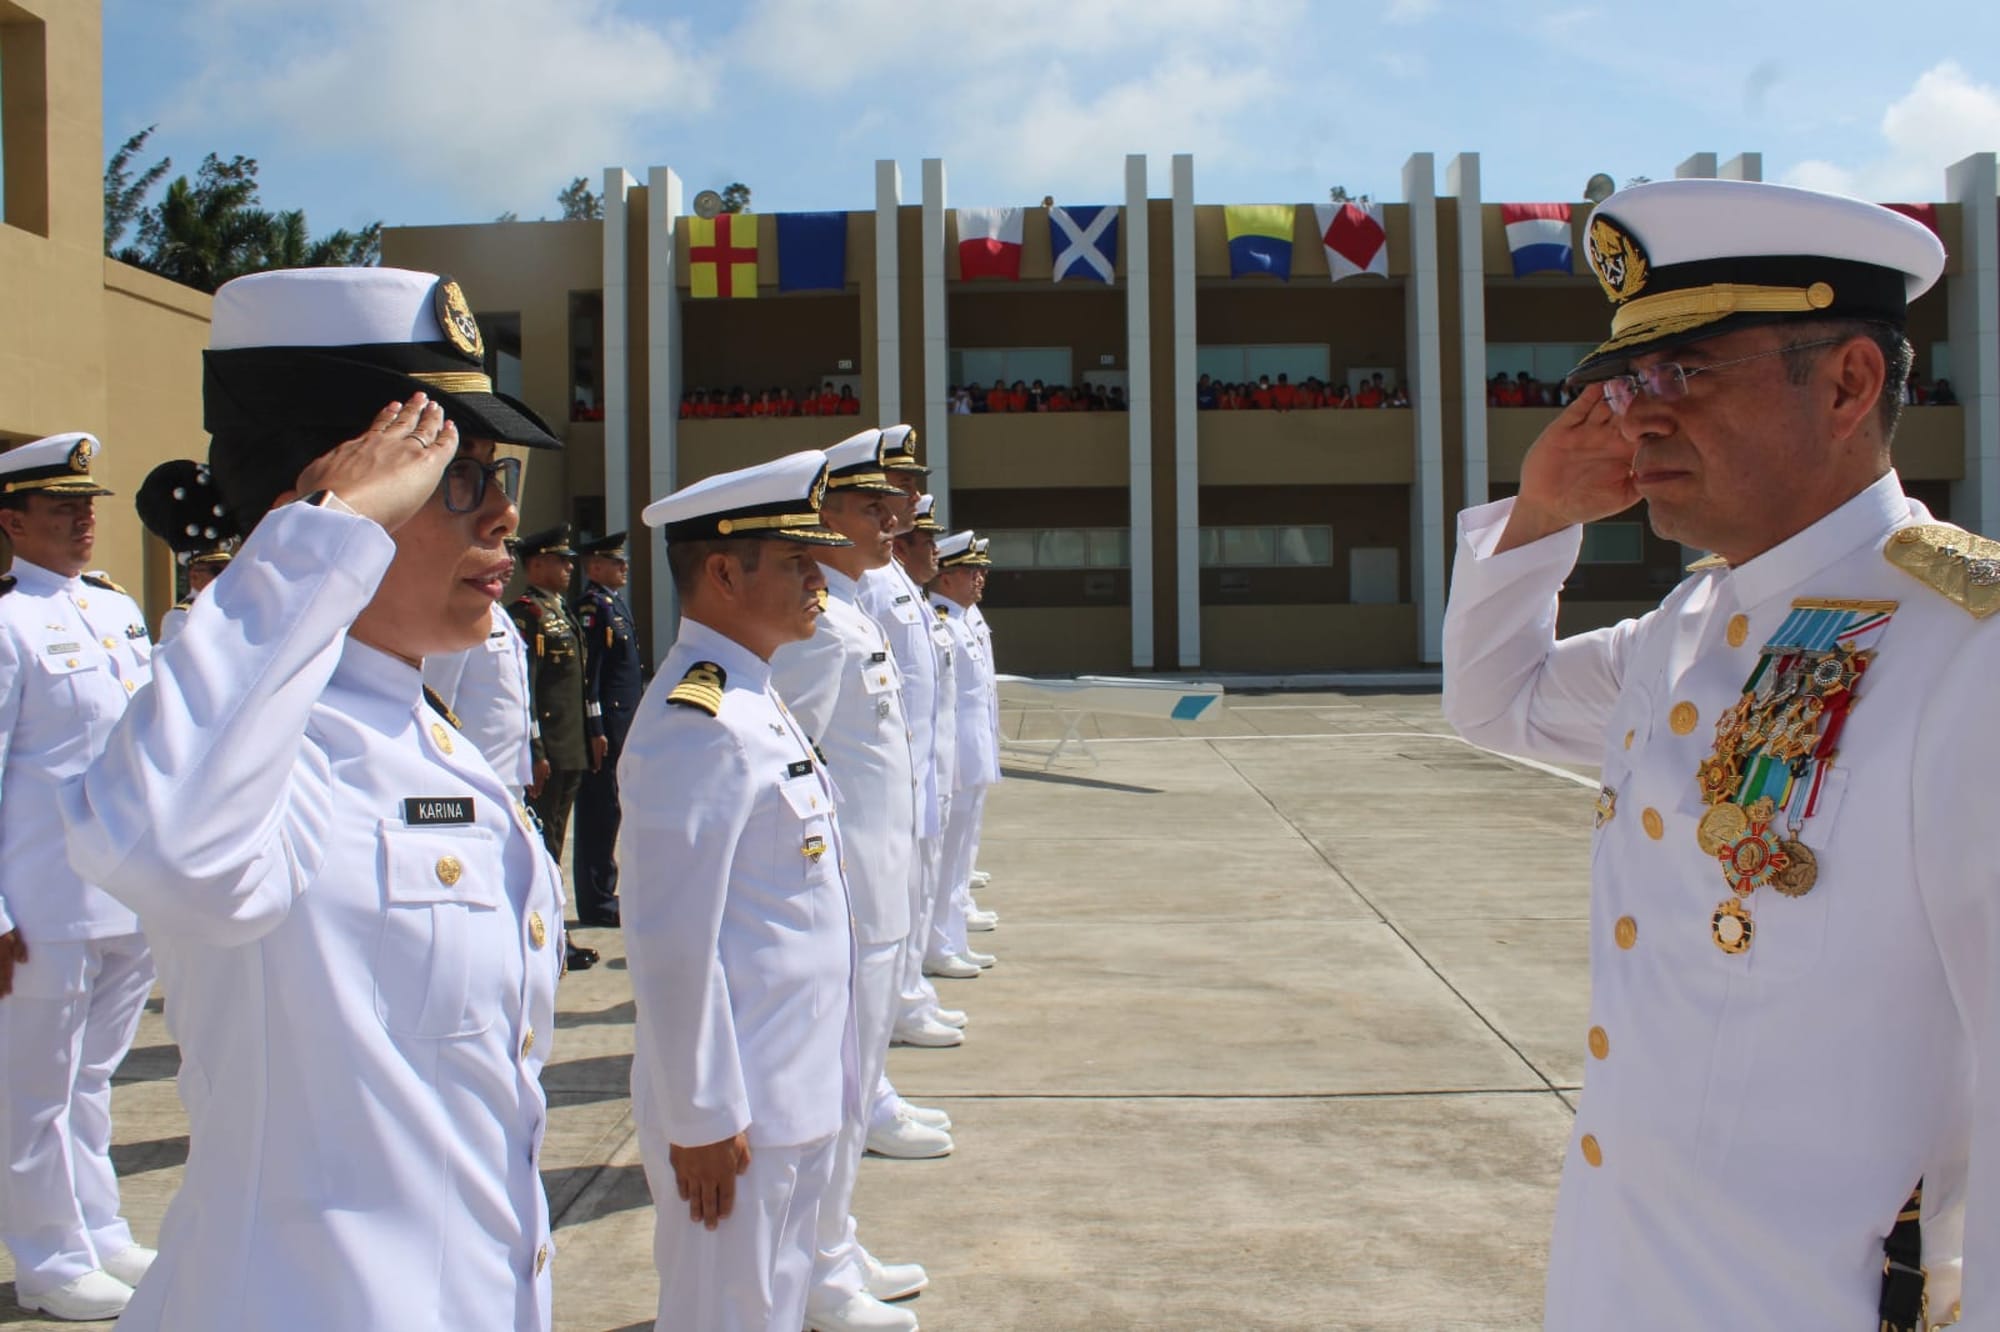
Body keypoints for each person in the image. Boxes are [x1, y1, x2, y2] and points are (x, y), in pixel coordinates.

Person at [1440, 179, 1993, 1330]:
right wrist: (1538, 518)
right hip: (1623, 1284)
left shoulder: (1964, 651)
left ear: (1846, 383)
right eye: (1625, 382)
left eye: (1683, 373)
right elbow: (1495, 704)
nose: (1638, 419)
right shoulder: (1684, 630)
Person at [59, 267, 567, 1329]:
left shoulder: (418, 723)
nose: (506, 514)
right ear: (342, 494)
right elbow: (162, 846)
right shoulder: (260, 743)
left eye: (499, 474)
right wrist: (319, 533)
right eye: (456, 477)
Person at [619, 449, 860, 1332]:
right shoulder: (700, 722)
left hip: (790, 1091)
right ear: (723, 573)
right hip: (738, 1119)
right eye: (796, 561)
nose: (818, 578)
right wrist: (701, 1116)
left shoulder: (757, 697)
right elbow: (670, 942)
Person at [766, 431, 930, 1332]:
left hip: (882, 883)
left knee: (857, 1081)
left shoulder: (853, 612)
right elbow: (789, 772)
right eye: (871, 507)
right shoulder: (819, 627)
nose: (892, 518)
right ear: (821, 517)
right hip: (851, 895)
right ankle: (819, 1271)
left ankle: (837, 1241)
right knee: (835, 1091)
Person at [0, 433, 157, 1322]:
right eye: (61, 508)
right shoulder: (7, 623)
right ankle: (48, 1259)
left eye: (87, 505)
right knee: (34, 1091)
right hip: (43, 901)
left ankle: (98, 1230)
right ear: (13, 521)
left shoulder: (115, 606)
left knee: (93, 1079)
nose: (82, 520)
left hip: (123, 889)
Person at [858, 437, 963, 1160]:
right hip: (875, 797)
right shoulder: (864, 585)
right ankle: (874, 1077)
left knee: (907, 909)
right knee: (875, 937)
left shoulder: (891, 579)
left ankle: (898, 1023)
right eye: (892, 493)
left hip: (914, 775)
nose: (906, 504)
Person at [926, 533, 1001, 976]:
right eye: (971, 571)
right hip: (953, 758)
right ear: (946, 577)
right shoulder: (941, 624)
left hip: (973, 751)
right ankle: (939, 944)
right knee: (945, 857)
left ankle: (952, 938)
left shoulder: (963, 620)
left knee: (958, 857)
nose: (980, 578)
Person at [571, 531, 642, 928]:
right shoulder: (592, 608)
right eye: (617, 562)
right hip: (606, 726)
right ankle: (596, 900)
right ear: (596, 567)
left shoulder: (613, 603)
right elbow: (591, 674)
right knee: (598, 810)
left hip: (621, 722)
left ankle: (604, 891)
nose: (624, 567)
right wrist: (595, 726)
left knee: (612, 808)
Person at [511, 525, 589, 885]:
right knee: (543, 835)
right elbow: (526, 688)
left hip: (570, 744)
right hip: (549, 747)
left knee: (556, 832)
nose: (569, 567)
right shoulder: (527, 614)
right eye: (561, 560)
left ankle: (553, 904)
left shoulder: (562, 612)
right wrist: (535, 748)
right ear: (537, 565)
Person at [135, 458, 239, 644]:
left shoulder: (246, 606)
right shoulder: (184, 620)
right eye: (217, 571)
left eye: (231, 568)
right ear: (194, 576)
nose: (227, 578)